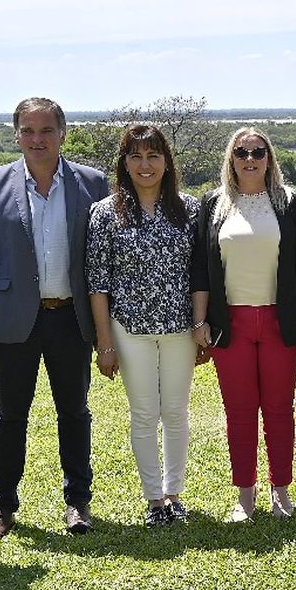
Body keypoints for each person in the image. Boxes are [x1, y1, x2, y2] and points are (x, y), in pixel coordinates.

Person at [0, 97, 109, 541]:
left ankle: (77, 503)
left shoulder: (92, 183)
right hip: (14, 323)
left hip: (72, 319)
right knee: (9, 416)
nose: (37, 139)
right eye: (28, 131)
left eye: (46, 130)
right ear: (16, 135)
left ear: (62, 133)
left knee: (74, 412)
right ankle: (2, 507)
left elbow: (104, 260)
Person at [192, 127, 296, 522]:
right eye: (242, 152)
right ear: (231, 158)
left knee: (280, 409)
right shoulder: (214, 203)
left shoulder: (288, 202)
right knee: (240, 411)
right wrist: (199, 321)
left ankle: (281, 491)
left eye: (258, 152)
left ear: (269, 157)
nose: (250, 159)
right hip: (231, 324)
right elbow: (200, 268)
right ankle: (245, 496)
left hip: (280, 321)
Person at [86, 125, 202, 527]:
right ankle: (153, 501)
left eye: (153, 155)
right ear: (124, 163)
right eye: (135, 156)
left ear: (167, 162)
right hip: (128, 329)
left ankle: (174, 495)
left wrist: (202, 326)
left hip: (180, 329)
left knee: (175, 411)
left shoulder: (189, 209)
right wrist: (105, 342)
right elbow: (97, 283)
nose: (145, 165)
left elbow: (200, 274)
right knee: (143, 413)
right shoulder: (105, 212)